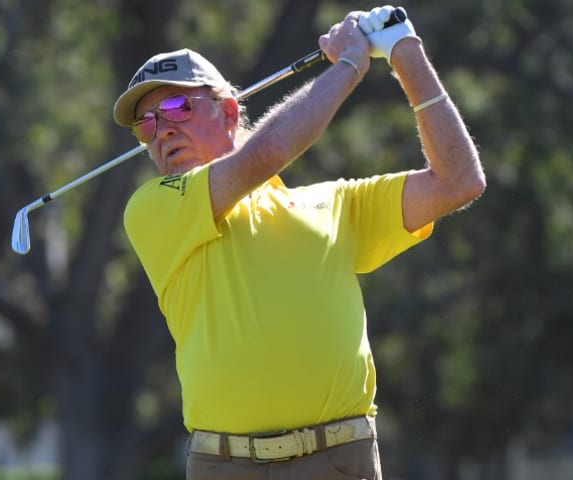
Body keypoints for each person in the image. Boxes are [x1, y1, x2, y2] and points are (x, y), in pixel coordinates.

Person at [114, 5, 485, 479]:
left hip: (337, 458)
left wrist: (403, 51)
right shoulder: (152, 208)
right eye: (145, 124)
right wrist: (350, 65)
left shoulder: (334, 204)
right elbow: (266, 153)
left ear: (228, 110)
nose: (162, 129)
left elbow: (458, 181)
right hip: (224, 465)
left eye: (176, 107)